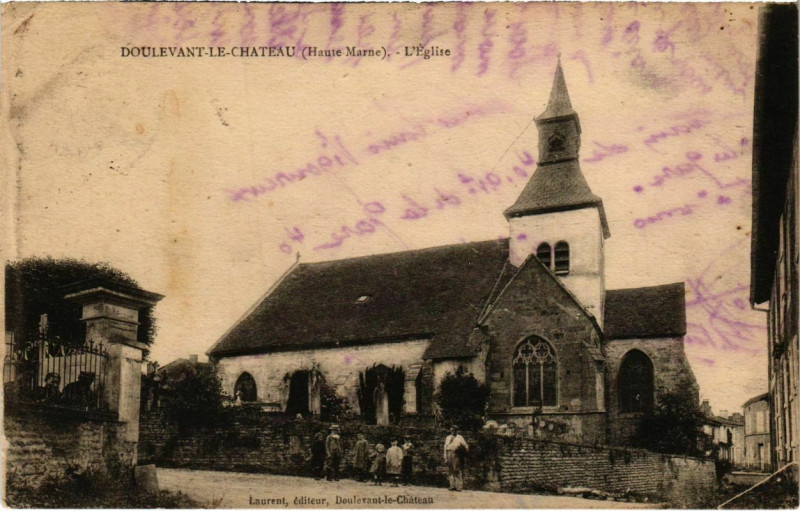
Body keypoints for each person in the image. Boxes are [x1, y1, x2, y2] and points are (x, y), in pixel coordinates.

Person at [444, 425, 468, 491]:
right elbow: (445, 447)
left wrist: (463, 451)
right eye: (451, 430)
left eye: (454, 430)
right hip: (449, 453)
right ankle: (452, 486)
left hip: (456, 454)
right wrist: (445, 457)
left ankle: (459, 487)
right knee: (450, 470)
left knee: (457, 470)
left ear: (456, 431)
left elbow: (466, 446)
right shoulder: (448, 437)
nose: (452, 432)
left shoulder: (460, 437)